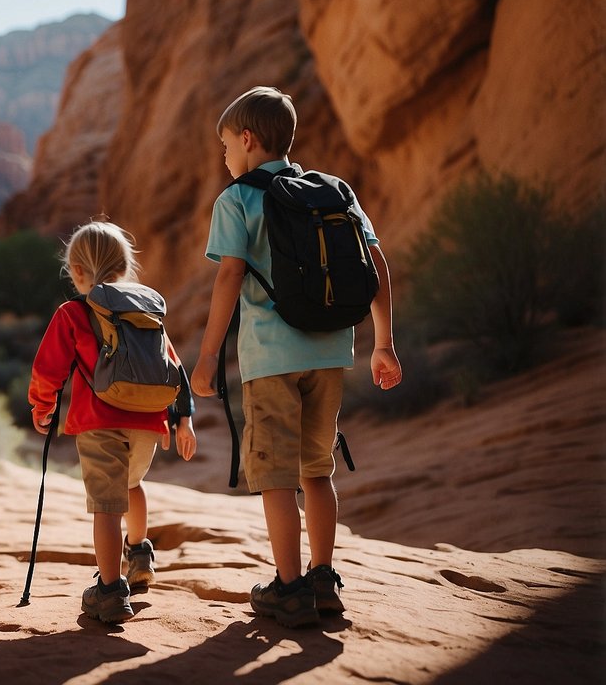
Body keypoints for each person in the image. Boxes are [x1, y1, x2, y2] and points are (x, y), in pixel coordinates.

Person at [191, 86, 403, 628]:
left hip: (269, 357)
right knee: (318, 469)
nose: (224, 158)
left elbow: (230, 275)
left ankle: (288, 589)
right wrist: (382, 342)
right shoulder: (335, 191)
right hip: (333, 350)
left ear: (246, 139)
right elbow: (376, 263)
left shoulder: (237, 199)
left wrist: (208, 354)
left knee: (277, 475)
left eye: (224, 146)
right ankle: (324, 578)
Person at [29, 221, 197, 624]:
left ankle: (108, 591)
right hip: (149, 421)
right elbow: (173, 366)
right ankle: (139, 555)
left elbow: (48, 369)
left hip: (99, 421)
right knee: (133, 485)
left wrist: (42, 406)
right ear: (124, 268)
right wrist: (184, 419)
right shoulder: (146, 311)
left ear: (79, 273)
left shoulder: (73, 312)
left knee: (107, 506)